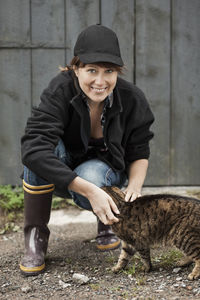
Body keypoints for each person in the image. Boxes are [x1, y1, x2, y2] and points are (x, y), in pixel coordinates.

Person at [20, 24, 154, 276]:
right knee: (37, 153)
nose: (100, 81)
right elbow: (33, 147)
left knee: (92, 173)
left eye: (109, 71)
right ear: (76, 68)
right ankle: (35, 236)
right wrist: (88, 190)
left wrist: (134, 188)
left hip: (104, 172)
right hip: (65, 172)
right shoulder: (60, 90)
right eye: (91, 70)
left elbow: (139, 150)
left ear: (117, 72)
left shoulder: (133, 98)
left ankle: (106, 222)